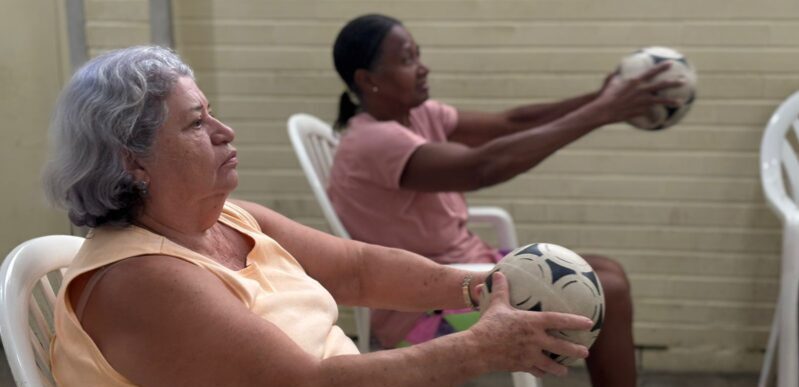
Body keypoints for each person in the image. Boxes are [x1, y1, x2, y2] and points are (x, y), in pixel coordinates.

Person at [42, 46, 593, 386]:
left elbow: (357, 269)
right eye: (195, 124)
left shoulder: (230, 220)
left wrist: (481, 287)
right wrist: (478, 348)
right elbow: (307, 385)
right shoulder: (140, 280)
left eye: (212, 113)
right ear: (132, 160)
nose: (224, 132)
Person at [327, 14, 683, 387]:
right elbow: (481, 167)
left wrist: (600, 98)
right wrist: (603, 111)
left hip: (467, 276)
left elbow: (511, 123)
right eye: (406, 60)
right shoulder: (373, 142)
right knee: (608, 289)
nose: (422, 67)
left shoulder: (417, 115)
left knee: (608, 272)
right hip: (424, 310)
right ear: (367, 79)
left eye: (418, 55)